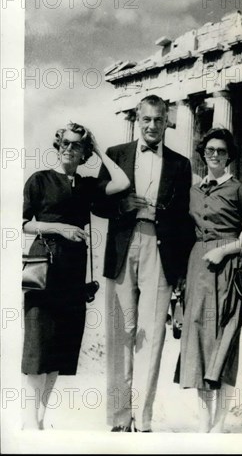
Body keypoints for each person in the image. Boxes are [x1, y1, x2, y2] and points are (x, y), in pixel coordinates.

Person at [93, 94, 193, 433]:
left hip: (160, 250)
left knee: (151, 335)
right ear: (138, 118)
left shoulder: (181, 165)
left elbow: (182, 221)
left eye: (159, 120)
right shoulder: (116, 155)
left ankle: (144, 419)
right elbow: (96, 201)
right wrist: (121, 208)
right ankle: (120, 419)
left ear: (167, 121)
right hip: (122, 247)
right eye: (146, 119)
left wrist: (179, 273)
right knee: (122, 332)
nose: (152, 126)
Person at [22, 122, 130, 430]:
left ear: (83, 153)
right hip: (42, 268)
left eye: (77, 145)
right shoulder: (39, 180)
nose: (69, 148)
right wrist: (59, 227)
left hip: (72, 275)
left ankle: (41, 419)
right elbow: (21, 222)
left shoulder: (86, 186)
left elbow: (121, 183)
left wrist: (96, 147)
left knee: (59, 350)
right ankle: (30, 421)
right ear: (58, 146)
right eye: (65, 143)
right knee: (38, 346)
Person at [176, 127, 242, 433]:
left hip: (230, 270)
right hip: (197, 270)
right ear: (203, 154)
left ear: (230, 156)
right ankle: (203, 422)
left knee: (225, 343)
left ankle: (219, 423)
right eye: (210, 150)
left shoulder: (238, 188)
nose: (215, 155)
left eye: (221, 151)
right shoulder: (193, 191)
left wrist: (228, 249)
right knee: (199, 344)